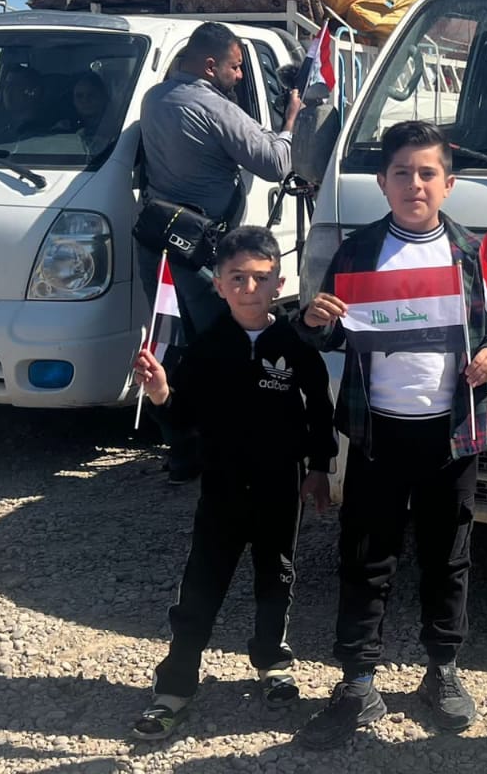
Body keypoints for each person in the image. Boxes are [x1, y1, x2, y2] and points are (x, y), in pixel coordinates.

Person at [293, 120, 487, 750]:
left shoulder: (476, 254)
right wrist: (314, 319)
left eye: (427, 173)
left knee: (448, 557)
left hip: (452, 435)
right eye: (402, 172)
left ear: (449, 184)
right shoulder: (359, 251)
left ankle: (441, 670)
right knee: (366, 557)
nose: (414, 184)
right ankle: (357, 679)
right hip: (377, 434)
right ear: (382, 182)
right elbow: (327, 333)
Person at [128, 225, 335, 741]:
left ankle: (272, 662)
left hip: (280, 485)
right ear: (218, 284)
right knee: (202, 584)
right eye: (237, 278)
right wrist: (161, 394)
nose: (248, 288)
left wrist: (319, 467)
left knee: (276, 578)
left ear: (279, 283)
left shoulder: (295, 342)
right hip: (222, 488)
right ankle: (175, 686)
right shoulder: (205, 347)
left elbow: (319, 408)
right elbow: (182, 421)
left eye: (260, 278)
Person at [138, 21, 303, 483]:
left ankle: (181, 451)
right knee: (221, 345)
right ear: (210, 65)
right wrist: (290, 123)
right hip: (201, 249)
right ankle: (222, 448)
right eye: (235, 67)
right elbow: (274, 163)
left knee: (170, 343)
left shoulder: (154, 99)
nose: (240, 76)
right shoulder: (213, 106)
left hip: (157, 240)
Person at [0, 66, 46, 143]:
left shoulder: (42, 134)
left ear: (33, 92)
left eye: (15, 85)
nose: (8, 90)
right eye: (6, 85)